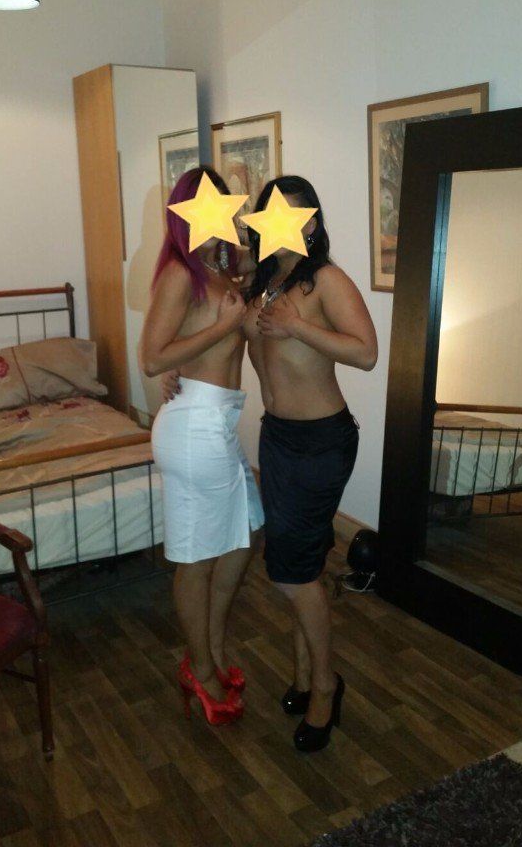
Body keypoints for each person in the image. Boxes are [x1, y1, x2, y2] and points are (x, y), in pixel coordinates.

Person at [244, 175, 378, 752]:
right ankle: (303, 674)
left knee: (290, 573)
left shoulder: (324, 280)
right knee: (300, 563)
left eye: (293, 215)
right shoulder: (261, 282)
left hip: (321, 442)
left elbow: (366, 352)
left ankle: (326, 685)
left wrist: (297, 325)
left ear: (313, 223)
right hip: (276, 438)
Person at [140, 166, 264, 727]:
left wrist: (248, 203)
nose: (222, 215)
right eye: (210, 205)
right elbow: (151, 358)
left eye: (226, 205)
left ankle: (208, 649)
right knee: (198, 557)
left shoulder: (222, 267)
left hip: (216, 423)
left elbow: (258, 260)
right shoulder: (179, 273)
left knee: (246, 532)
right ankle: (202, 669)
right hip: (194, 429)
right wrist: (220, 327)